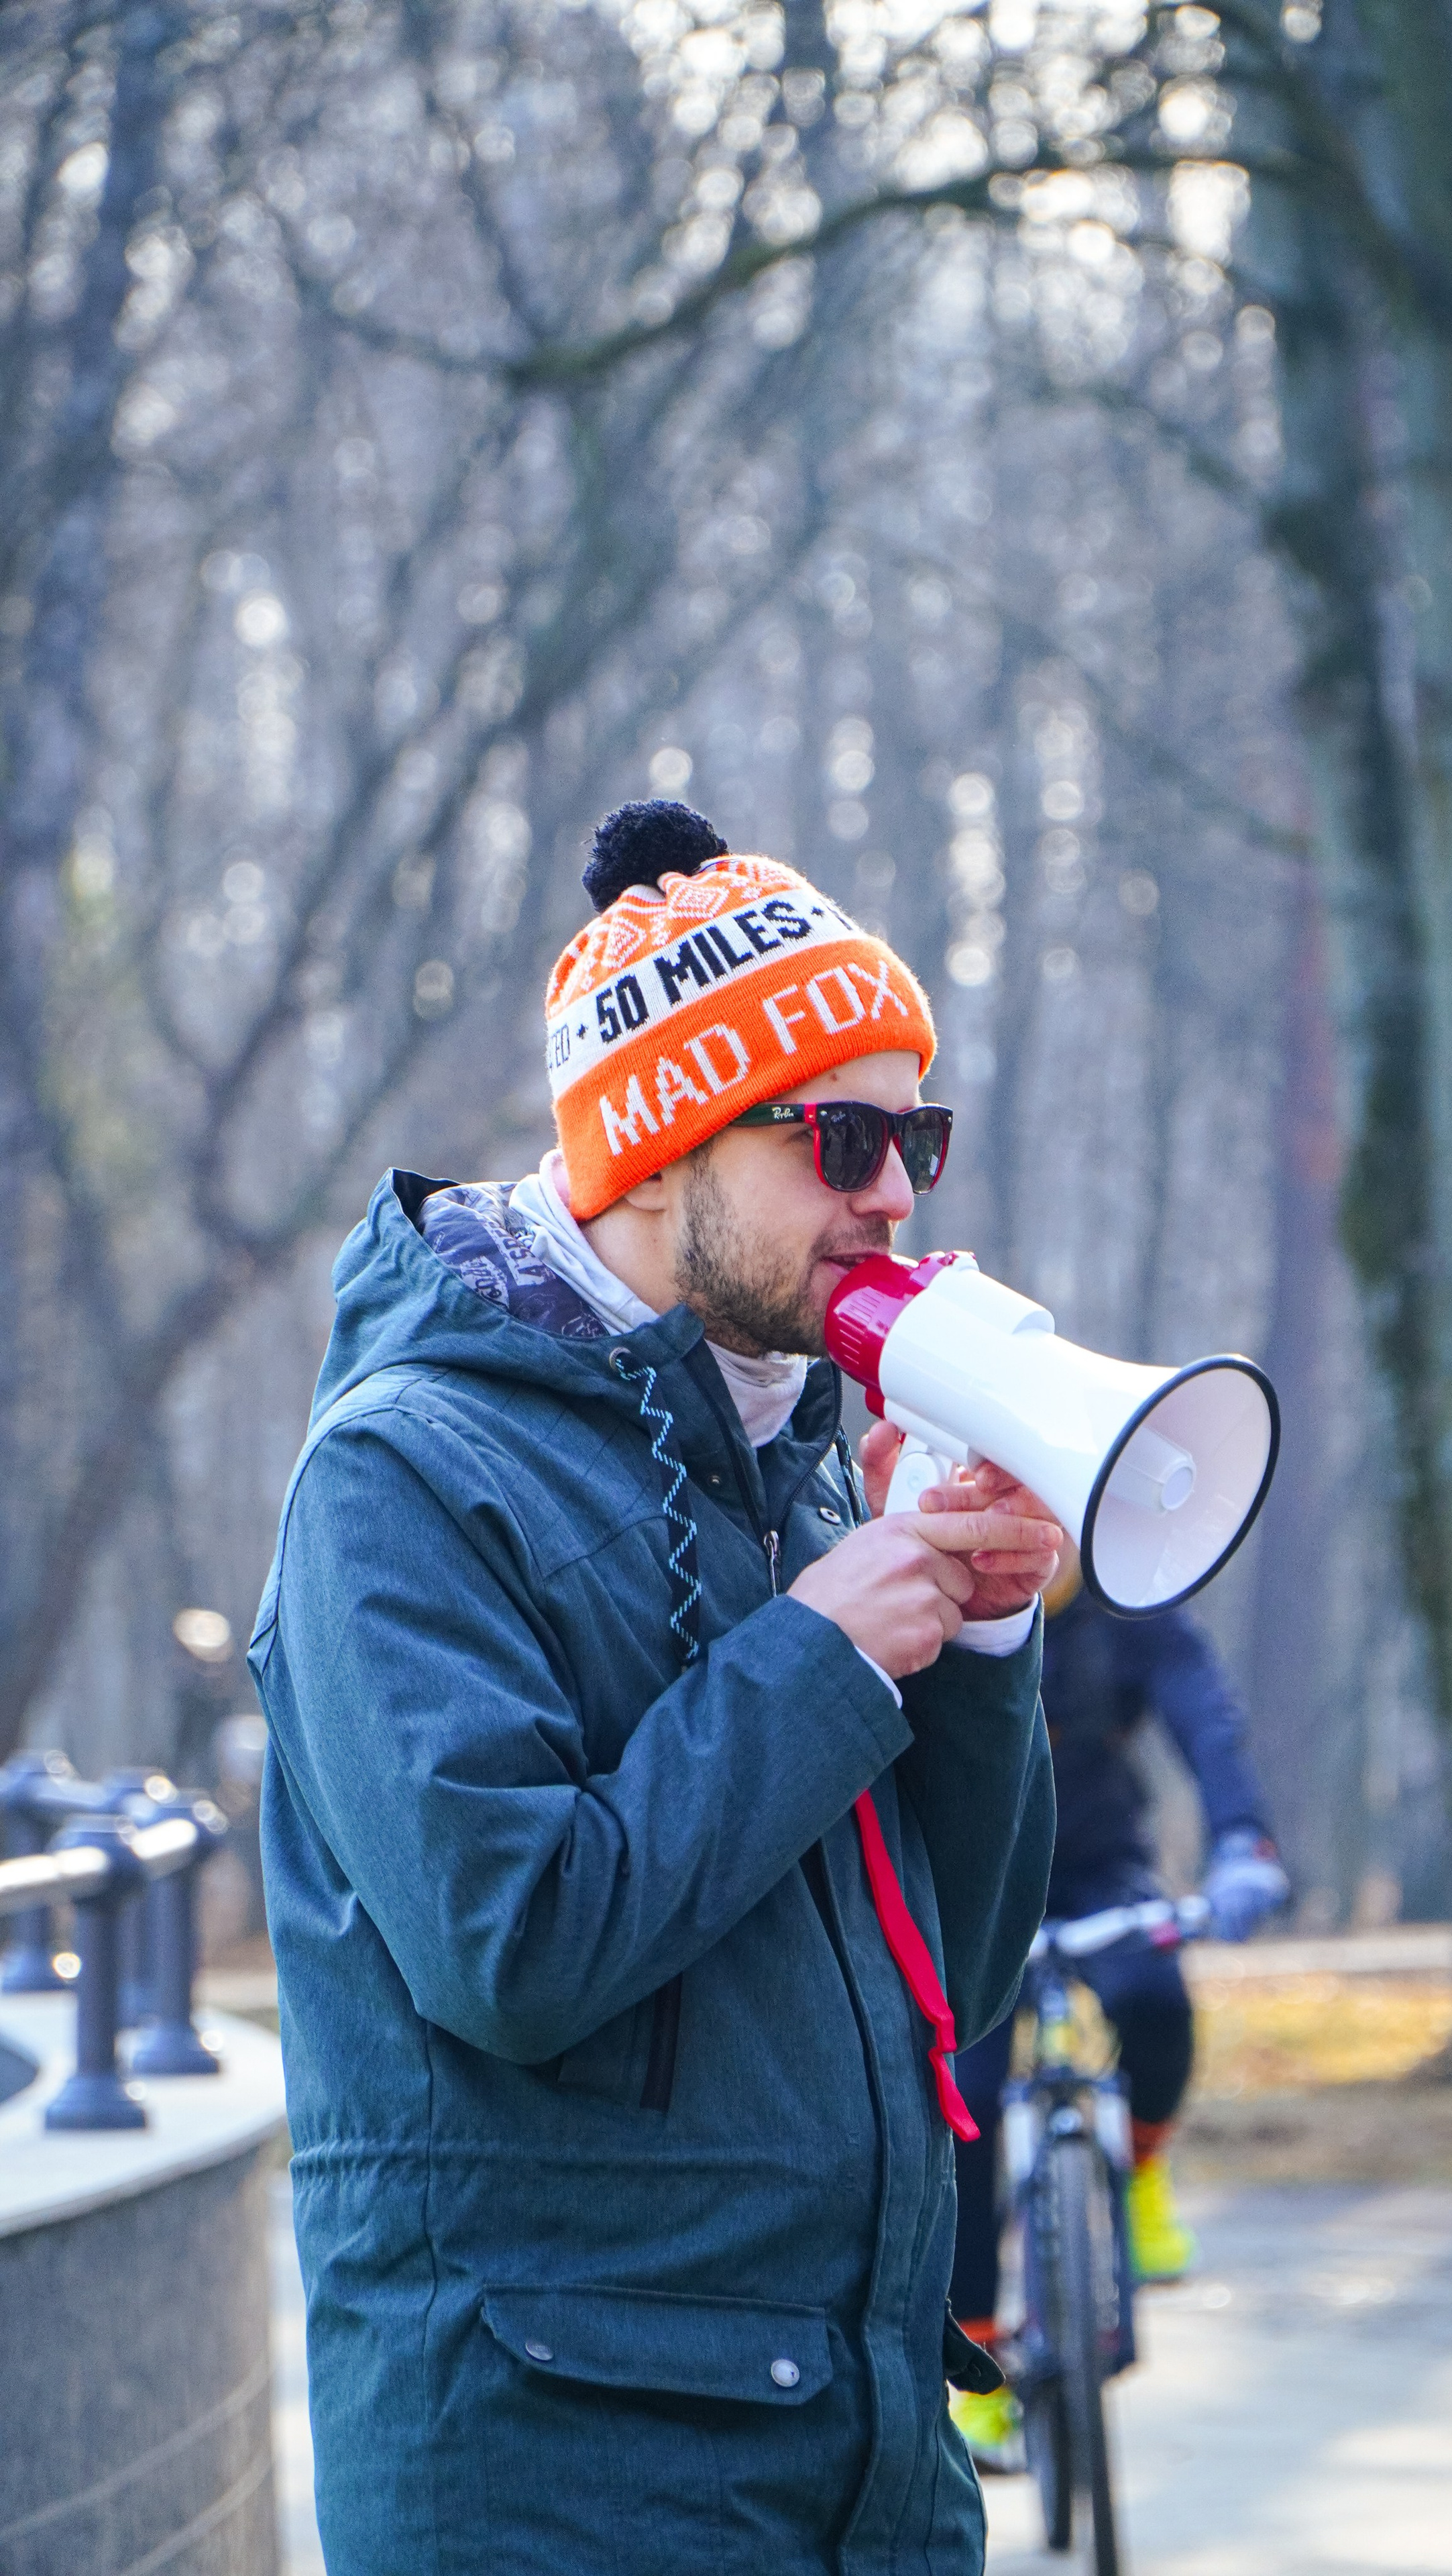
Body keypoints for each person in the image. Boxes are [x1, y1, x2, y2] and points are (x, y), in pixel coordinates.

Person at [250, 800, 1063, 2576]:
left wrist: (985, 1642)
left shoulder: (804, 1474)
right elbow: (507, 1948)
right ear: (660, 1145)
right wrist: (823, 1653)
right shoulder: (402, 1476)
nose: (897, 1193)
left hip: (859, 2472)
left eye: (917, 1133)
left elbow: (966, 1974)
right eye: (843, 1135)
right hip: (556, 2489)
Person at [946, 1545, 1288, 2467]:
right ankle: (977, 2372)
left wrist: (1243, 1842)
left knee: (1155, 1998)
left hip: (1103, 1872)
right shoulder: (943, 1598)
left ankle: (1137, 2170)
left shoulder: (1132, 1611)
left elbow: (1208, 1724)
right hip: (976, 1889)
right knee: (965, 2113)